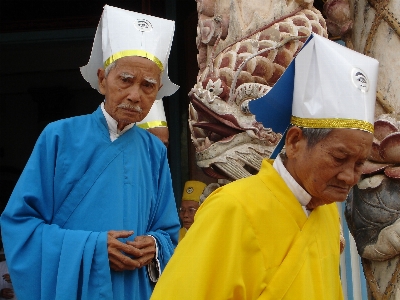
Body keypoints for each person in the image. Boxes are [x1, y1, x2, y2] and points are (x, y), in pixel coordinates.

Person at [150, 33, 379, 299]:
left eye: (359, 163)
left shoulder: (326, 214)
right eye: (339, 158)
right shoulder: (233, 209)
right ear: (294, 142)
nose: (350, 176)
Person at [0, 5, 181, 300]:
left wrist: (155, 244)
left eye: (148, 86)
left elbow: (168, 231)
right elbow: (20, 225)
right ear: (101, 79)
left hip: (133, 289)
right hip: (75, 289)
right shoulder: (58, 136)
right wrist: (94, 248)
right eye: (125, 80)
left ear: (157, 90)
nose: (135, 95)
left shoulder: (153, 152)